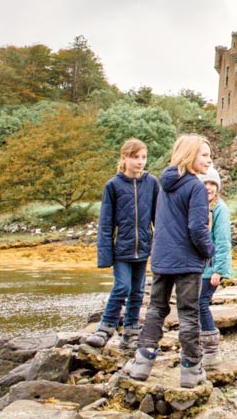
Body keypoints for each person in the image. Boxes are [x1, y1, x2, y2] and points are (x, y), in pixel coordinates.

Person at [123, 134, 215, 388]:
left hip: (162, 258)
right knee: (188, 315)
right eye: (205, 155)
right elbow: (197, 228)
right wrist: (210, 250)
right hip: (186, 262)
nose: (209, 160)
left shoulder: (165, 183)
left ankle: (142, 363)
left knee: (155, 310)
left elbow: (159, 220)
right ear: (190, 155)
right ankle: (191, 369)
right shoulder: (196, 186)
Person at [85, 138, 158, 351]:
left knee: (137, 292)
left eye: (143, 157)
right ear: (124, 158)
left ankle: (130, 334)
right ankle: (104, 329)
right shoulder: (113, 185)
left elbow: (158, 218)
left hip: (143, 248)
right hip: (121, 249)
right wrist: (104, 255)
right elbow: (105, 223)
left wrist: (159, 247)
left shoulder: (152, 183)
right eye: (135, 157)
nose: (140, 162)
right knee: (122, 287)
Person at [197, 166, 232, 367]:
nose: (208, 188)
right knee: (195, 304)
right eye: (205, 183)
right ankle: (199, 347)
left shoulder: (220, 209)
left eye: (212, 184)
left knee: (201, 304)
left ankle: (211, 350)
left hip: (211, 268)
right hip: (198, 268)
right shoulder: (199, 206)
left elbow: (223, 241)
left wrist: (219, 270)